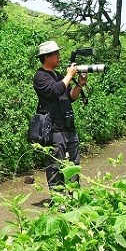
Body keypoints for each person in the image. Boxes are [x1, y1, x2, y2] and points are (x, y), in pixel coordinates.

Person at [33, 40, 87, 195]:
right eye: (55, 54)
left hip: (69, 127)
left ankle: (73, 196)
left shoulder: (58, 76)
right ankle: (59, 200)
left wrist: (80, 85)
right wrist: (69, 75)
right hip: (54, 129)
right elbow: (55, 90)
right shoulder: (40, 76)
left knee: (74, 164)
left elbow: (70, 96)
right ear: (46, 57)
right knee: (56, 165)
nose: (59, 56)